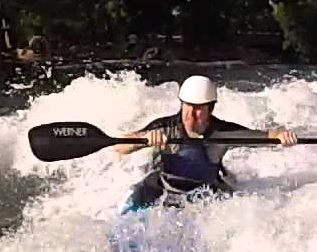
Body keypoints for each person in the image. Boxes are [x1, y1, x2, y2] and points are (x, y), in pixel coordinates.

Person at [112, 75, 298, 210]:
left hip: (205, 190)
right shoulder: (164, 127)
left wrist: (282, 136)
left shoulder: (223, 132)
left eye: (199, 109)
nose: (191, 115)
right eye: (187, 107)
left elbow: (268, 136)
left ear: (210, 109)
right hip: (162, 185)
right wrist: (143, 140)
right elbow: (119, 146)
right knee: (138, 194)